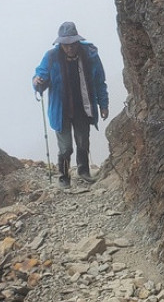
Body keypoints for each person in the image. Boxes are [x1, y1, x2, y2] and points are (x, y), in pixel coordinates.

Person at [33, 22, 109, 186]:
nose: (69, 48)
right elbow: (41, 75)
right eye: (65, 45)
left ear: (77, 41)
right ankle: (64, 176)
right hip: (61, 110)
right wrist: (37, 82)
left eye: (72, 44)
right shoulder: (51, 57)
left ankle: (84, 171)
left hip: (83, 107)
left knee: (83, 142)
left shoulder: (89, 55)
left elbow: (99, 82)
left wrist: (103, 104)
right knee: (66, 147)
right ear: (60, 43)